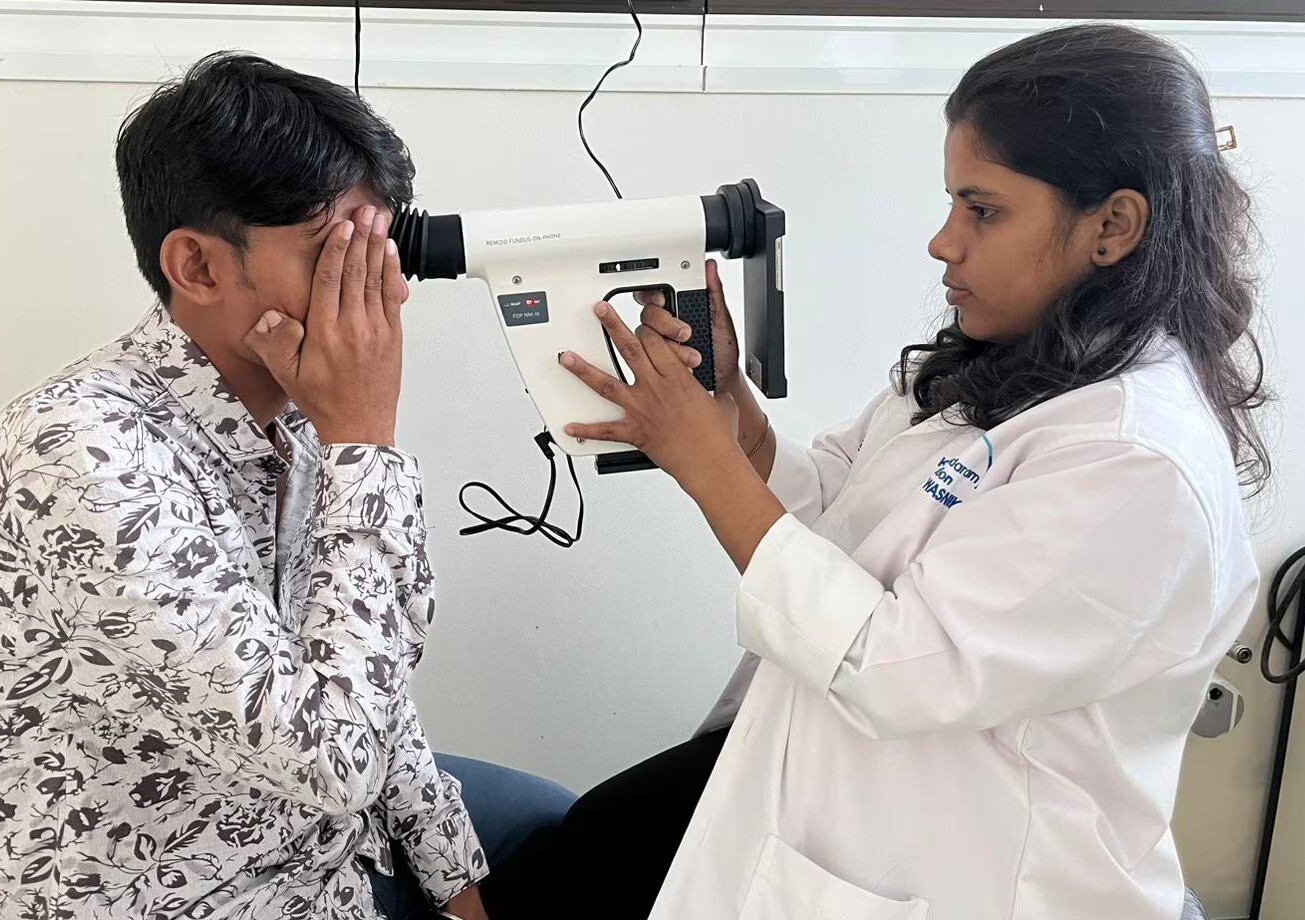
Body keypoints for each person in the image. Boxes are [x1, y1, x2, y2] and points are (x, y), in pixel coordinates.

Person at [502, 21, 1269, 920]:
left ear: (1113, 225)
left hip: (982, 874)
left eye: (982, 210)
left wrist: (704, 463)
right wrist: (735, 425)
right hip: (834, 792)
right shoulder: (995, 372)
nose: (943, 243)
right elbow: (837, 517)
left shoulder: (1134, 461)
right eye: (950, 203)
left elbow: (897, 664)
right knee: (590, 843)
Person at [0, 53, 573, 920]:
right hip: (179, 885)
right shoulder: (80, 458)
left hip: (312, 839)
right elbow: (333, 760)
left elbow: (371, 681)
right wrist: (366, 443)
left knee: (571, 835)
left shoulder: (299, 408)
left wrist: (457, 884)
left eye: (382, 250)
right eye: (338, 258)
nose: (383, 292)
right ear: (197, 268)